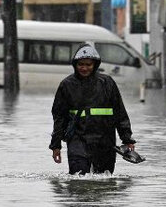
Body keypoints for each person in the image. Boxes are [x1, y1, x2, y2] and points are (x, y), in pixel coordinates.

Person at [49, 43, 136, 175]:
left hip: (105, 141)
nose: (84, 68)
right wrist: (56, 146)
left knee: (104, 182)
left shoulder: (107, 83)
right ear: (75, 64)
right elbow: (59, 117)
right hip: (77, 139)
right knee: (78, 179)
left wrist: (127, 139)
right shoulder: (67, 85)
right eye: (81, 64)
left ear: (95, 65)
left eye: (88, 65)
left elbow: (120, 113)